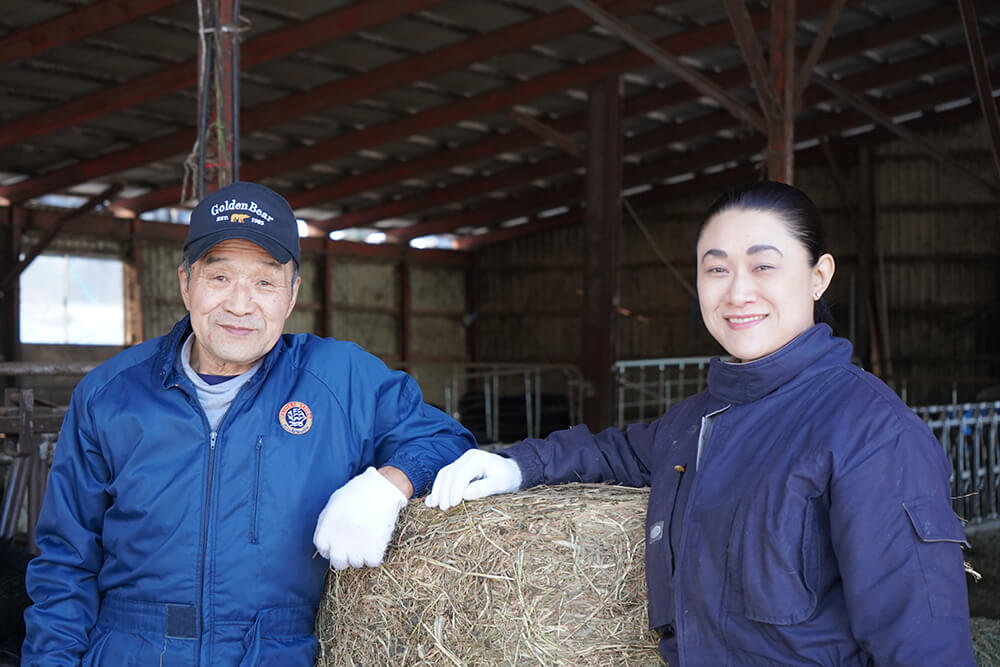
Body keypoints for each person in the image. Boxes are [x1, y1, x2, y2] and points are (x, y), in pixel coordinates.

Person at [426, 180, 975, 666]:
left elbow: (923, 646)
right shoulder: (698, 420)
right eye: (716, 268)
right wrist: (514, 466)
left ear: (818, 276)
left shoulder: (872, 434)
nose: (737, 291)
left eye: (764, 265)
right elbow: (617, 452)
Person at [22, 181, 475, 665]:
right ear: (185, 283)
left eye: (265, 282)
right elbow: (65, 564)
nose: (240, 304)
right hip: (132, 649)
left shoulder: (341, 380)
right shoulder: (109, 396)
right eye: (219, 278)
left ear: (292, 293)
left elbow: (445, 438)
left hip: (275, 652)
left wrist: (390, 484)